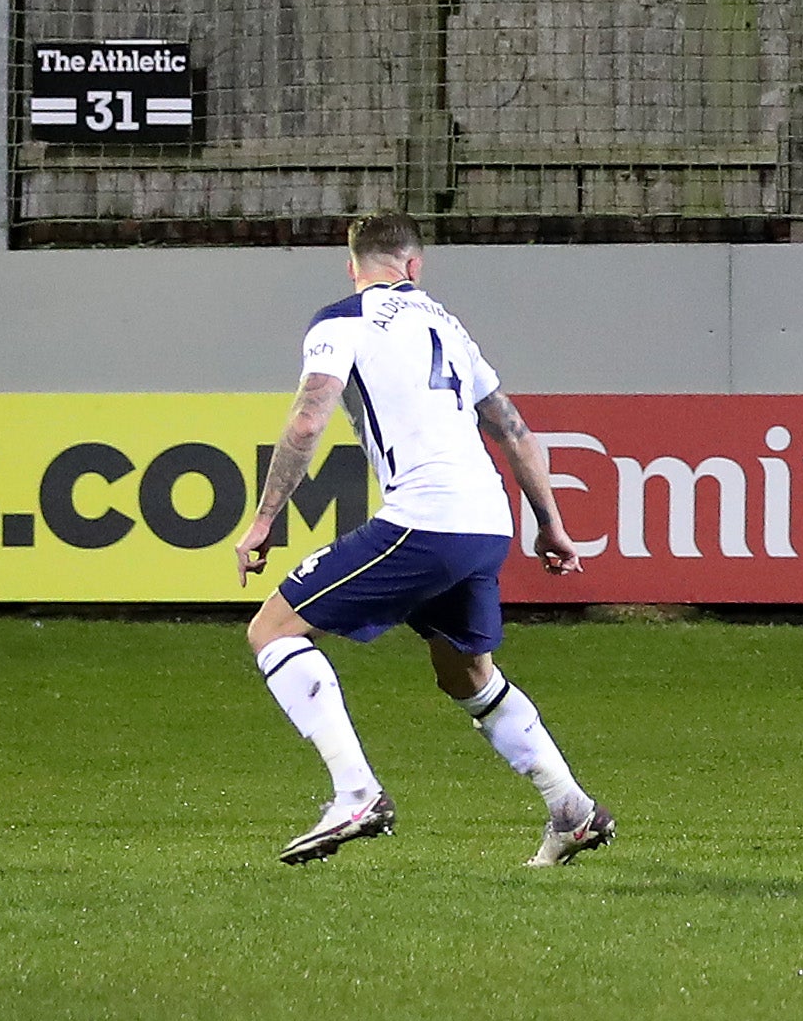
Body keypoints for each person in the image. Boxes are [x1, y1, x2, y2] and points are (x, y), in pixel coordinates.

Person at [231, 212, 612, 868]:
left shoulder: (340, 320)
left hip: (427, 516)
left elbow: (307, 417)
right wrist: (550, 522)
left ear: (354, 266)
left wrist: (265, 517)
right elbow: (514, 429)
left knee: (273, 630)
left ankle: (356, 793)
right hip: (487, 520)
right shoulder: (450, 326)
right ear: (414, 265)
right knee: (465, 673)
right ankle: (572, 810)